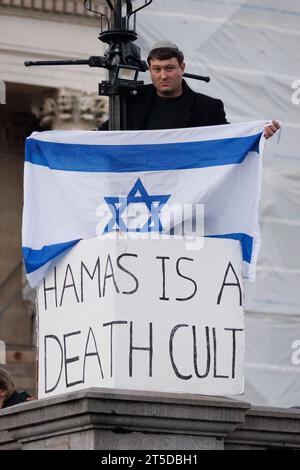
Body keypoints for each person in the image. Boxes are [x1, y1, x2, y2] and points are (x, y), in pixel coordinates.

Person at [101, 40, 280, 137]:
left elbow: (228, 141)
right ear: (150, 70)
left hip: (185, 199)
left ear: (182, 68)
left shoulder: (208, 108)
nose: (163, 76)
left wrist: (258, 134)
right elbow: (102, 137)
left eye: (169, 68)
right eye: (157, 69)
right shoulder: (132, 99)